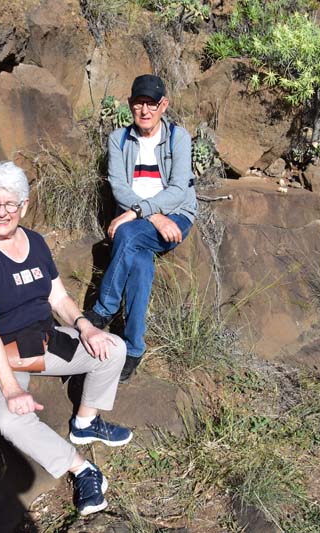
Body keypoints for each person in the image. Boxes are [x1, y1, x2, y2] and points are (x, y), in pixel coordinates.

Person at [0, 161, 133, 517]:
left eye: (10, 204)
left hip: (38, 340)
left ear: (24, 206)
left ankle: (85, 423)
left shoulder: (34, 242)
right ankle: (81, 468)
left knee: (114, 349)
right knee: (10, 418)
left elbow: (58, 297)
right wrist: (11, 390)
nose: (1, 212)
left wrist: (85, 326)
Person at [84, 74, 197, 383]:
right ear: (130, 105)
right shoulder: (119, 139)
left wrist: (144, 213)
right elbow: (119, 188)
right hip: (143, 219)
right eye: (138, 104)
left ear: (164, 105)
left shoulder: (178, 138)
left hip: (175, 216)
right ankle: (134, 348)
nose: (145, 111)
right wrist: (152, 217)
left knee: (127, 234)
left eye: (151, 104)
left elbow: (178, 191)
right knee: (140, 263)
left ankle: (104, 308)